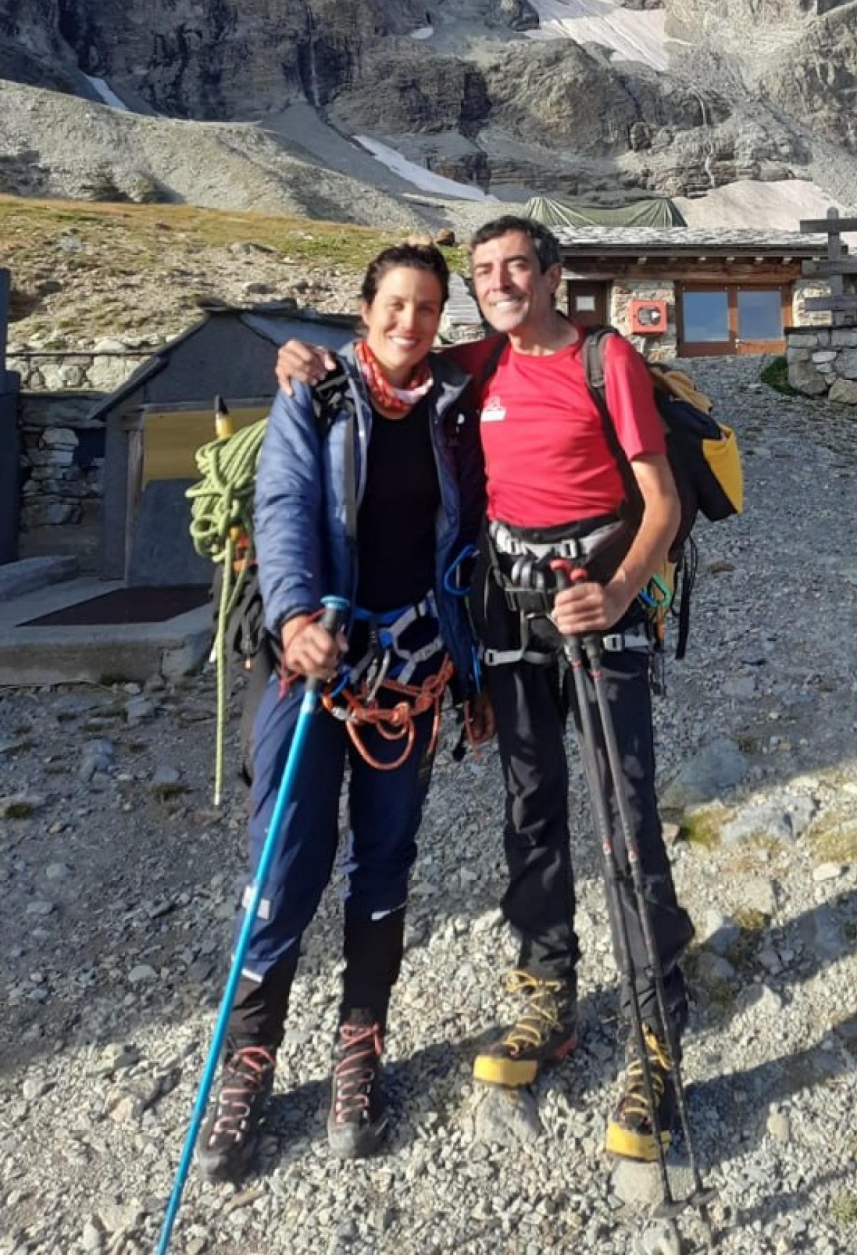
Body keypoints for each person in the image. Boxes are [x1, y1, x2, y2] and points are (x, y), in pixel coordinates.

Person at [277, 217, 693, 1163]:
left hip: (601, 609)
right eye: (485, 271)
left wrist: (620, 589)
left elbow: (660, 500)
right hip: (508, 612)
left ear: (552, 275)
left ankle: (656, 1033)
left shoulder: (606, 362)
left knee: (624, 814)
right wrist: (305, 359)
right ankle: (548, 991)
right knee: (531, 807)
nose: (500, 282)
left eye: (516, 267)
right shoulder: (475, 362)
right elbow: (389, 353)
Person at [199, 241, 482, 1181]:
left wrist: (472, 674)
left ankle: (359, 1041)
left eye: (429, 308)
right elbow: (283, 505)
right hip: (312, 667)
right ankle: (249, 1056)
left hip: (409, 673)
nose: (412, 323)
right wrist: (290, 616)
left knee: (386, 861)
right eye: (397, 304)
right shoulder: (314, 394)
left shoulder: (451, 407)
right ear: (365, 309)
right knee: (285, 859)